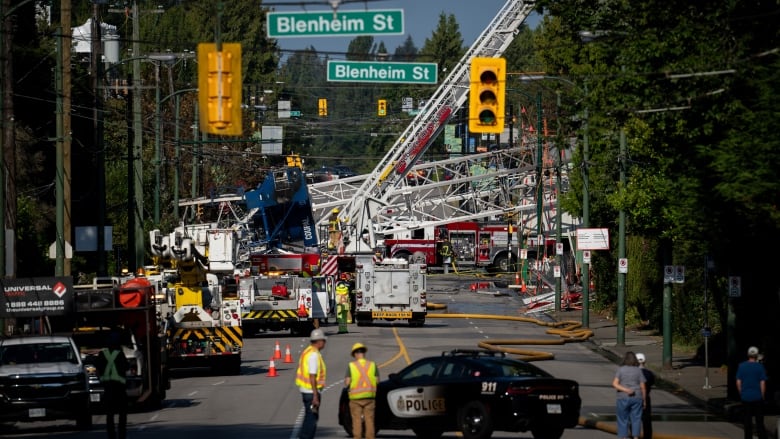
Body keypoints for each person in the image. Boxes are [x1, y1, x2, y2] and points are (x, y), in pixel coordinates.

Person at [95, 329, 129, 439]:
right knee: (122, 414)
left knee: (110, 415)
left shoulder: (102, 354)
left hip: (108, 389)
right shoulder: (120, 354)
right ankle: (122, 435)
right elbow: (127, 367)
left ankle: (111, 436)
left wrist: (101, 379)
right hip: (120, 389)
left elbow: (97, 369)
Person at [295, 329, 328, 439]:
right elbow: (312, 375)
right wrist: (315, 395)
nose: (324, 343)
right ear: (318, 341)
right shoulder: (313, 355)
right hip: (311, 392)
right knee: (311, 419)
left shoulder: (307, 351)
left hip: (305, 390)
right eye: (323, 341)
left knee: (309, 417)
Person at [344, 343, 379, 439]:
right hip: (370, 397)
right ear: (364, 353)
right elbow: (377, 380)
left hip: (355, 398)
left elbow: (347, 382)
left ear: (355, 354)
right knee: (370, 421)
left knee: (357, 421)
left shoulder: (351, 366)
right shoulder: (372, 365)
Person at [612, 351, 646, 439]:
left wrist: (626, 390)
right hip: (637, 397)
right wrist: (644, 400)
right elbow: (643, 387)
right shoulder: (638, 370)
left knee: (623, 418)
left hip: (623, 397)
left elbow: (615, 384)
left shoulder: (621, 369)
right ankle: (635, 437)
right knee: (636, 419)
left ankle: (624, 437)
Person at [736, 346, 767, 439]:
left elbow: (738, 382)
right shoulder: (760, 366)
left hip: (746, 397)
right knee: (759, 421)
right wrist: (762, 395)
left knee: (747, 420)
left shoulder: (741, 366)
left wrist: (741, 393)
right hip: (757, 397)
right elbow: (762, 382)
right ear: (756, 355)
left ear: (748, 355)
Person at [636, 353, 655, 439]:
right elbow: (651, 383)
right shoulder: (649, 374)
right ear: (645, 362)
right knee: (646, 420)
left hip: (634, 397)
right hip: (646, 397)